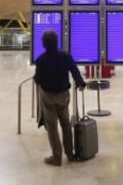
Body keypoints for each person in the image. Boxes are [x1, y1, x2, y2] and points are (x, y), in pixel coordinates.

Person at [33, 30, 86, 166]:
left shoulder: (41, 60)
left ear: (44, 44)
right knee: (66, 124)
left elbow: (38, 79)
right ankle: (70, 153)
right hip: (63, 96)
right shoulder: (65, 56)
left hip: (48, 98)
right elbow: (74, 70)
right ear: (57, 42)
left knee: (52, 127)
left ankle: (57, 157)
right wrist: (80, 83)